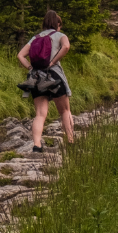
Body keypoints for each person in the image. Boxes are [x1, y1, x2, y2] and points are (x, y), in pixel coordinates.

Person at [17, 9, 75, 152]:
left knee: (40, 114)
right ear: (57, 24)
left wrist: (30, 68)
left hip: (36, 78)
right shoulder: (60, 35)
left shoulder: (35, 38)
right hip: (54, 76)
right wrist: (53, 62)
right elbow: (66, 46)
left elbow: (20, 55)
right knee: (65, 111)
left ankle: (37, 144)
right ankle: (71, 140)